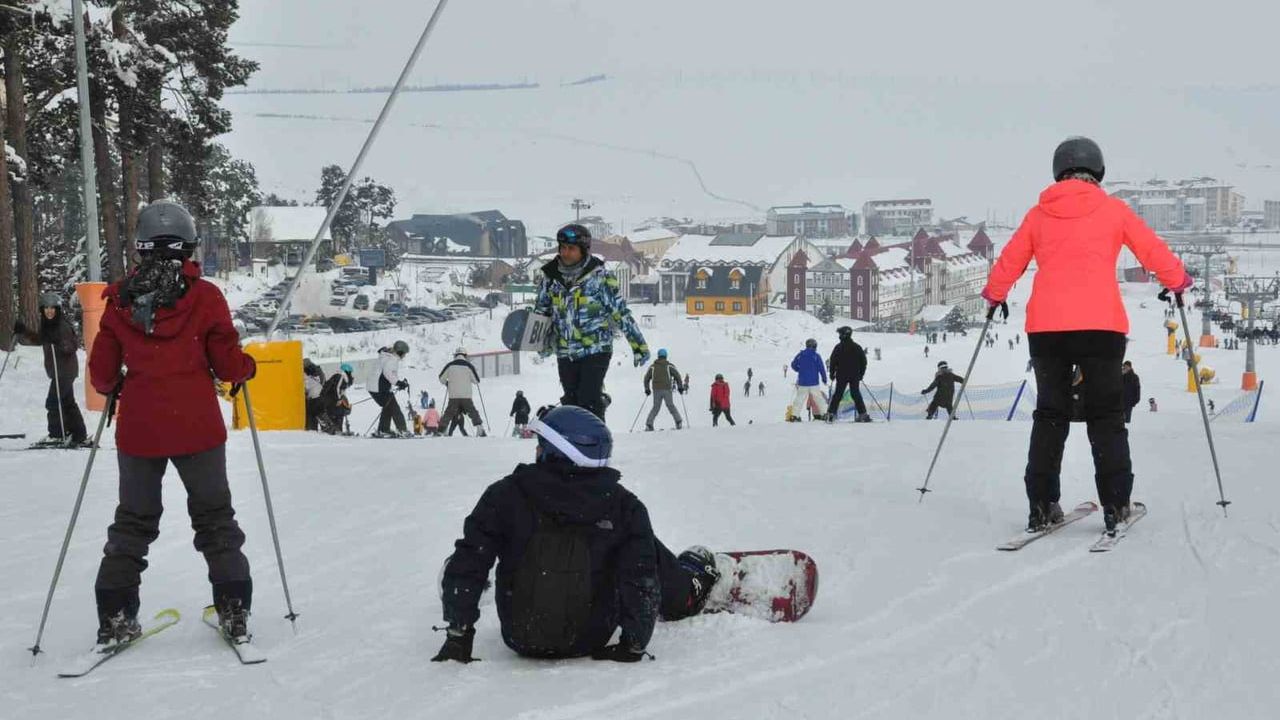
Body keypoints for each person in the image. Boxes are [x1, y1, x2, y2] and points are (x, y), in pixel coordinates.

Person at [980, 136, 1190, 534]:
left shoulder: (1038, 215)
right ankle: (1115, 503)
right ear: (1098, 170)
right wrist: (1177, 280)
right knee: (1106, 415)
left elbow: (1010, 261)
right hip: (1101, 327)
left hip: (1047, 330)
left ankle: (1041, 504)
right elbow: (1153, 250)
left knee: (1050, 415)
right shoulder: (1114, 211)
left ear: (1059, 171)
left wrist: (995, 294)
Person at [86, 199, 258, 648]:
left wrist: (125, 379)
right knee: (216, 519)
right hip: (197, 428)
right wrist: (246, 367)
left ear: (142, 248)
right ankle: (234, 609)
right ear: (189, 247)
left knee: (133, 523)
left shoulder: (120, 300)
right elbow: (226, 366)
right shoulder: (205, 298)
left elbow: (102, 376)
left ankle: (116, 616)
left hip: (140, 431)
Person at [432, 406, 721, 664]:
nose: (536, 450)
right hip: (591, 635)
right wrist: (633, 644)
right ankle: (686, 593)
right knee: (642, 546)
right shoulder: (623, 506)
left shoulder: (506, 494)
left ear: (555, 450)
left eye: (540, 444)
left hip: (520, 635)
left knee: (472, 551)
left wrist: (458, 635)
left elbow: (470, 559)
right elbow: (641, 578)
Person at [534, 224, 650, 420]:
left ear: (583, 250)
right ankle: (573, 446)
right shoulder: (550, 277)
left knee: (588, 399)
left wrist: (638, 345)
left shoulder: (600, 277)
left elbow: (619, 312)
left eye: (571, 249)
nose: (565, 253)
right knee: (571, 402)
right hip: (565, 350)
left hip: (596, 349)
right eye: (562, 248)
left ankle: (595, 444)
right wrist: (539, 342)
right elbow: (542, 312)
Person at [14, 292, 88, 446]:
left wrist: (61, 344)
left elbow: (72, 346)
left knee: (53, 402)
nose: (49, 311)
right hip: (59, 371)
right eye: (46, 308)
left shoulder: (62, 326)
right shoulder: (48, 325)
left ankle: (56, 435)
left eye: (52, 308)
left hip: (64, 371)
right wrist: (24, 331)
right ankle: (79, 434)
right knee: (68, 402)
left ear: (58, 309)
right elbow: (40, 340)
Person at [827, 326, 870, 423]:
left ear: (844, 335)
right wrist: (861, 374)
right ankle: (863, 414)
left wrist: (832, 373)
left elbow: (833, 362)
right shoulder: (857, 347)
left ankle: (831, 414)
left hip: (841, 375)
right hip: (854, 375)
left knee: (838, 394)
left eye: (840, 334)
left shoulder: (838, 347)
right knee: (855, 394)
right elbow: (864, 362)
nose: (839, 336)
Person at [367, 340, 410, 437]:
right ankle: (402, 430)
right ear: (400, 352)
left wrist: (398, 383)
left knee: (388, 407)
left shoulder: (386, 356)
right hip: (379, 387)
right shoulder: (392, 359)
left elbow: (388, 373)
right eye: (404, 354)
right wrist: (399, 383)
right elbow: (388, 373)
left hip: (375, 387)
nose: (404, 356)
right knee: (394, 408)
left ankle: (383, 430)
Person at [439, 348, 486, 437]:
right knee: (472, 412)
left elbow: (441, 379)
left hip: (453, 395)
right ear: (465, 355)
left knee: (449, 412)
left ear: (455, 355)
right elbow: (476, 381)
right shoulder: (469, 366)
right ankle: (480, 428)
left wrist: (448, 383)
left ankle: (442, 429)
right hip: (466, 395)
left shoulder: (449, 365)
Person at [644, 348, 685, 431]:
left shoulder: (653, 367)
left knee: (655, 407)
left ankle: (649, 424)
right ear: (666, 356)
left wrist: (647, 389)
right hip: (667, 389)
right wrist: (680, 387)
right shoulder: (669, 365)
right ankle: (678, 421)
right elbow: (677, 376)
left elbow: (646, 378)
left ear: (658, 356)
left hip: (656, 390)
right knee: (670, 405)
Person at [788, 338, 828, 422]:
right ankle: (824, 413)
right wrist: (824, 379)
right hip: (814, 382)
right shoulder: (816, 356)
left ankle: (795, 415)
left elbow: (793, 364)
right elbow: (821, 368)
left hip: (803, 382)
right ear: (814, 346)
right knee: (819, 399)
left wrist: (799, 370)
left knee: (799, 399)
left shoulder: (800, 355)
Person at [318, 362, 355, 435]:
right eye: (351, 372)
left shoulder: (339, 376)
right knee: (338, 412)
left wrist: (344, 401)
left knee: (339, 412)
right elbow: (337, 388)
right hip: (330, 400)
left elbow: (341, 392)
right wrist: (339, 400)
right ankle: (336, 430)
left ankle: (337, 430)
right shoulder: (341, 376)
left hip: (330, 400)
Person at [302, 358, 326, 431]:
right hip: (319, 395)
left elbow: (305, 387)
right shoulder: (318, 372)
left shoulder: (305, 376)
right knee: (318, 415)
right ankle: (327, 430)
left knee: (312, 415)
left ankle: (312, 430)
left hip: (313, 398)